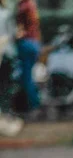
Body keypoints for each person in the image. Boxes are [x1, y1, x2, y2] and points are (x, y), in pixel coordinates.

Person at [15, 0, 42, 120]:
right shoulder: (32, 4)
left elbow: (21, 30)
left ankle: (34, 106)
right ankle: (34, 105)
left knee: (26, 78)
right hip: (34, 43)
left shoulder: (23, 6)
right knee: (29, 76)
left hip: (26, 43)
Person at [0, 0, 23, 135]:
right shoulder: (6, 13)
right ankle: (6, 117)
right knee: (5, 87)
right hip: (6, 53)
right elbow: (13, 33)